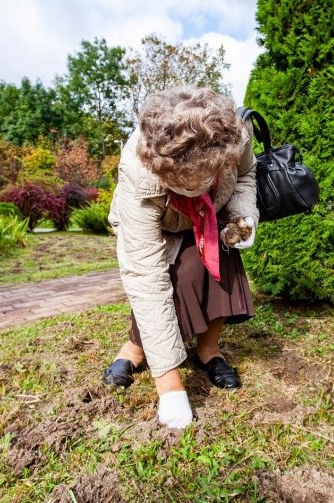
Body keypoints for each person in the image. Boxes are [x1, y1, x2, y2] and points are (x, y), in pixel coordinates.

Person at [103, 86, 259, 429]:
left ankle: (209, 350)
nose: (200, 188)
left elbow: (247, 173)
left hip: (211, 216)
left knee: (219, 259)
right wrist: (170, 390)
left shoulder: (236, 135)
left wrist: (243, 215)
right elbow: (145, 277)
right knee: (170, 276)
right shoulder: (138, 172)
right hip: (160, 222)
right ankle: (135, 349)